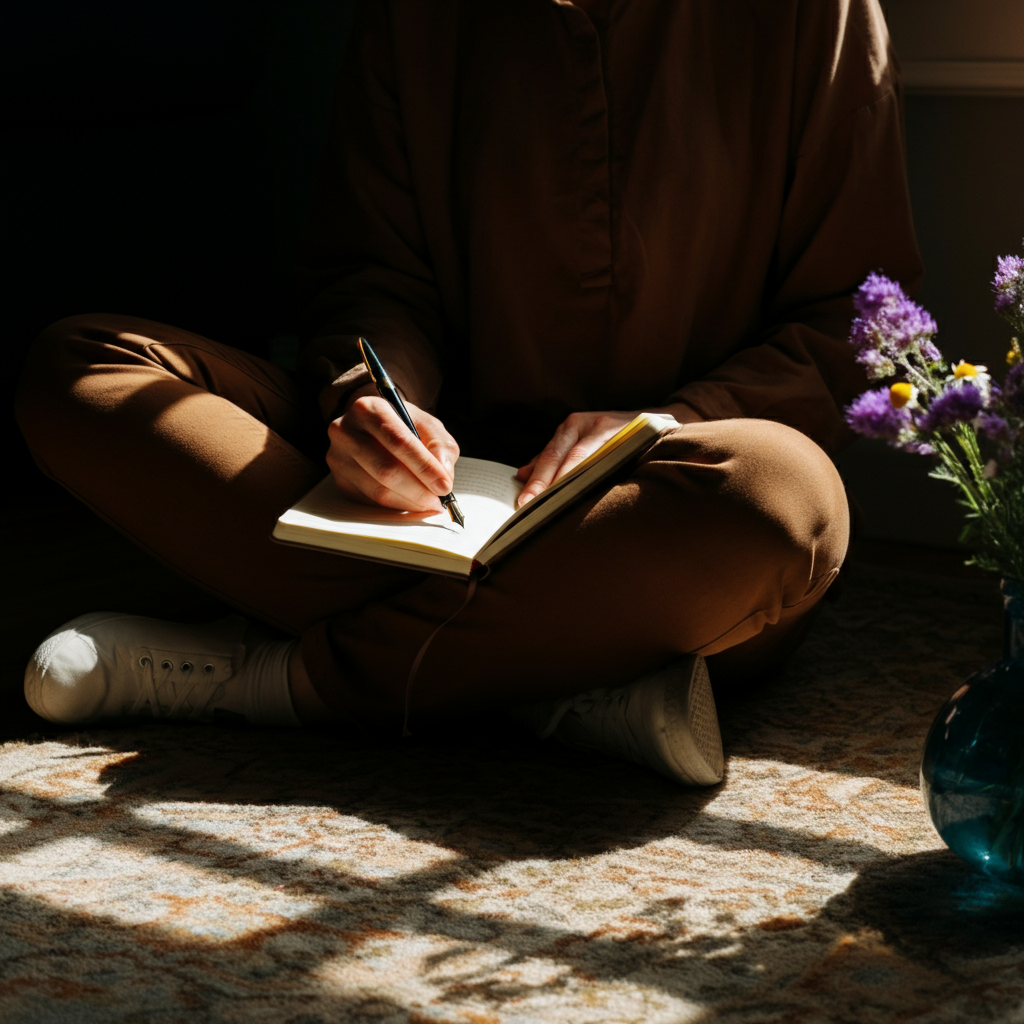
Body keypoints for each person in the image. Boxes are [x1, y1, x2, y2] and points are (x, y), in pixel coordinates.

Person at [14, 0, 920, 786]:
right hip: (431, 511)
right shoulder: (419, 13)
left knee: (783, 497)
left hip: (664, 513)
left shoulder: (815, 14)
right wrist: (375, 402)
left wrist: (667, 423)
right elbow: (374, 274)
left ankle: (279, 681)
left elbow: (856, 321)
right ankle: (546, 682)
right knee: (80, 366)